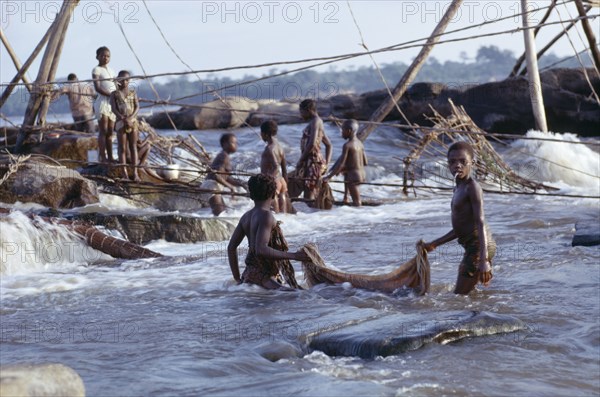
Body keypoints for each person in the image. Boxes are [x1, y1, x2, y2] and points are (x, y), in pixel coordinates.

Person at [423, 142, 496, 295]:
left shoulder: (472, 187)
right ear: (447, 164)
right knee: (468, 293)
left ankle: (480, 316)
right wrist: (435, 244)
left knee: (459, 296)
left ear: (473, 163)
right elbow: (461, 228)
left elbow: (480, 222)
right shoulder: (458, 188)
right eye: (452, 162)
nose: (457, 165)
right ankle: (480, 314)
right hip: (473, 246)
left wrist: (483, 260)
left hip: (479, 247)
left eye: (463, 162)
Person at [227, 174, 309, 289]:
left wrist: (237, 278)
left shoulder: (246, 217)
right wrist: (294, 256)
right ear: (274, 194)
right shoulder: (266, 216)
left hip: (249, 274)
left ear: (251, 195)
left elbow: (231, 248)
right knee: (297, 296)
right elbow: (261, 249)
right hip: (263, 276)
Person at [323, 119, 368, 206]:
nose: (341, 133)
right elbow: (365, 162)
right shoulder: (360, 144)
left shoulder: (347, 145)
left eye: (343, 130)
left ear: (349, 131)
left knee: (357, 202)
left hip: (354, 177)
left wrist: (329, 177)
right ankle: (345, 197)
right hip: (362, 175)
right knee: (346, 173)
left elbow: (341, 164)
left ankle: (360, 217)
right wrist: (348, 167)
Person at [201, 133, 247, 216]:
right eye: (233, 143)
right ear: (224, 144)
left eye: (236, 143)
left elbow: (225, 177)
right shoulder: (223, 156)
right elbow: (216, 175)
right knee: (220, 214)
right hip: (211, 186)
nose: (235, 145)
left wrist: (240, 184)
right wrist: (231, 187)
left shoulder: (225, 156)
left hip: (214, 185)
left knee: (223, 212)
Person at [296, 99, 332, 203]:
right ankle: (310, 215)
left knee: (309, 193)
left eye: (301, 112)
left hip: (313, 162)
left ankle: (310, 215)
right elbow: (329, 145)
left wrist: (300, 160)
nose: (301, 115)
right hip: (311, 162)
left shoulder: (316, 121)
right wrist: (326, 163)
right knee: (309, 190)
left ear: (308, 110)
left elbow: (311, 143)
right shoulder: (316, 122)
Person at [110, 70, 140, 181]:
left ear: (129, 80)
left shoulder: (133, 92)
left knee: (133, 147)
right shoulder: (115, 94)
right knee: (121, 148)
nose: (124, 82)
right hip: (120, 123)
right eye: (122, 80)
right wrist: (123, 118)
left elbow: (137, 107)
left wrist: (130, 118)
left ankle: (135, 173)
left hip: (133, 123)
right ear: (118, 80)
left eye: (127, 80)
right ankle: (124, 173)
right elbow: (113, 109)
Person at [92, 46, 117, 163]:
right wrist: (110, 95)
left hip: (112, 102)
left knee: (110, 131)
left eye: (107, 56)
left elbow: (116, 86)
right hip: (102, 101)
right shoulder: (96, 70)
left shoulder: (112, 71)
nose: (105, 58)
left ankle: (111, 156)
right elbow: (97, 87)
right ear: (97, 57)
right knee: (104, 130)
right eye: (102, 56)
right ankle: (103, 157)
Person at [260, 120, 288, 213]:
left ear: (265, 134)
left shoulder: (269, 148)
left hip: (273, 181)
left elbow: (276, 166)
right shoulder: (280, 146)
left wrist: (267, 181)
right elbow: (284, 167)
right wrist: (285, 181)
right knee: (282, 213)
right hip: (281, 180)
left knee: (273, 212)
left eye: (261, 133)